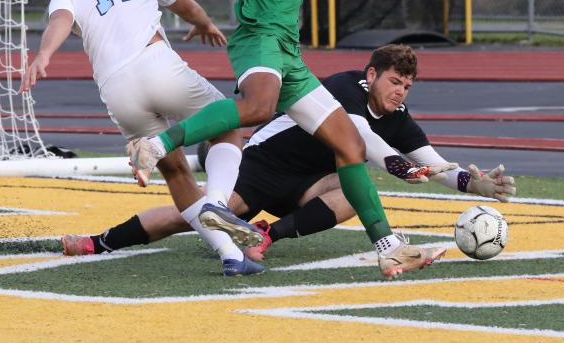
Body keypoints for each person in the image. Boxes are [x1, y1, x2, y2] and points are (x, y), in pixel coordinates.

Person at [125, 0, 447, 278]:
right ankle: (157, 143)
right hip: (259, 36)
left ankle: (389, 248)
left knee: (350, 148)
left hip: (288, 50)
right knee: (256, 107)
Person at [66, 46, 512, 272]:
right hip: (264, 165)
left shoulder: (398, 116)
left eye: (408, 87)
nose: (400, 92)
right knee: (195, 215)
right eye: (395, 82)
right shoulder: (344, 86)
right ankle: (101, 241)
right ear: (372, 74)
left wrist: (473, 184)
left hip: (307, 183)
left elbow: (432, 161)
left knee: (353, 193)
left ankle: (265, 235)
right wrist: (399, 165)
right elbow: (356, 136)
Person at [19, 0, 264, 277]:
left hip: (117, 93)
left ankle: (230, 256)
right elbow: (185, 4)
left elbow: (61, 21)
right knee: (228, 126)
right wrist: (206, 23)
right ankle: (219, 201)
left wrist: (44, 54)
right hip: (157, 66)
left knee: (175, 171)